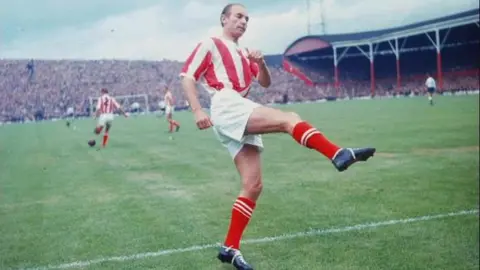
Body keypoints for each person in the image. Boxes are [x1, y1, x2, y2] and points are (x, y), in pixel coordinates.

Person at [179, 3, 375, 270]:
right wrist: (197, 109)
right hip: (226, 104)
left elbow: (264, 82)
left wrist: (259, 63)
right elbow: (187, 77)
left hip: (236, 108)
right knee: (289, 119)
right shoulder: (211, 43)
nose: (243, 21)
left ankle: (230, 247)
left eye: (247, 18)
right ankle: (338, 153)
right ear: (224, 19)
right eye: (238, 16)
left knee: (253, 185)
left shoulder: (245, 54)